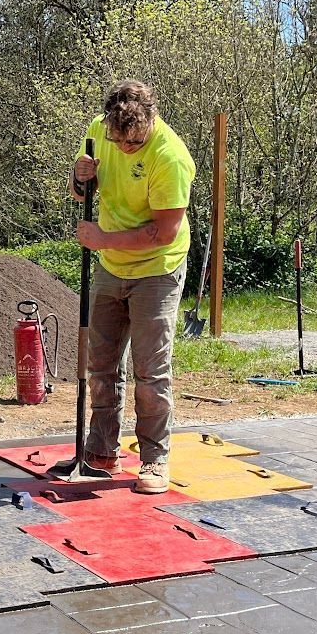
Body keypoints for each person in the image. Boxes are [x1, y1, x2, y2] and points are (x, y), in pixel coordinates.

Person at [71, 80, 194, 495]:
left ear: (148, 123)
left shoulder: (170, 156)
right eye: (118, 140)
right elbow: (79, 192)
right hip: (111, 265)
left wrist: (102, 238)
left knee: (150, 369)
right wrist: (79, 176)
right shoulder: (99, 133)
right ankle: (102, 449)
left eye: (133, 141)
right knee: (101, 362)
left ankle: (154, 460)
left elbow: (163, 231)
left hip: (157, 268)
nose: (124, 148)